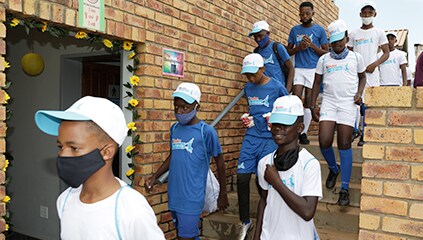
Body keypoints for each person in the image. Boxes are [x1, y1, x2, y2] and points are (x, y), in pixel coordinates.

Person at [34, 96, 165, 240]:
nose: (63, 155)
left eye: (74, 148)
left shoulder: (131, 210)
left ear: (106, 152)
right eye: (60, 146)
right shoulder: (65, 200)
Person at [145, 82, 228, 240]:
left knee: (185, 237)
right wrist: (155, 177)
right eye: (176, 107)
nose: (179, 111)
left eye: (185, 107)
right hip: (175, 194)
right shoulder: (175, 129)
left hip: (192, 196)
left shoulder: (207, 132)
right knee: (184, 235)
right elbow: (173, 156)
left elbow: (220, 162)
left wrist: (223, 193)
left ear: (197, 106)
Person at [311, 19, 366, 206]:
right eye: (333, 41)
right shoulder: (323, 59)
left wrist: (359, 94)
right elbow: (316, 83)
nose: (337, 44)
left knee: (344, 143)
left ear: (346, 38)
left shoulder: (356, 58)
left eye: (340, 40)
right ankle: (334, 168)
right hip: (329, 102)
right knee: (324, 140)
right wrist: (312, 105)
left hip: (348, 104)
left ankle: (344, 187)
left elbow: (363, 77)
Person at [253, 95, 322, 240]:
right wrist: (256, 236)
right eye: (275, 123)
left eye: (285, 123)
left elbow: (308, 211)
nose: (278, 128)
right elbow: (264, 201)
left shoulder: (309, 164)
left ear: (300, 128)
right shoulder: (265, 162)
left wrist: (276, 182)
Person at [237, 53, 289, 240]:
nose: (250, 78)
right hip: (251, 137)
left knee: (264, 180)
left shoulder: (276, 87)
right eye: (247, 75)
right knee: (242, 178)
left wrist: (274, 119)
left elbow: (288, 107)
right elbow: (253, 110)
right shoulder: (248, 88)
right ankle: (245, 222)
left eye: (253, 74)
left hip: (269, 139)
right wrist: (248, 118)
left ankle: (268, 218)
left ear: (263, 69)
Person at [347, 0, 389, 146]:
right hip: (356, 74)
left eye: (369, 13)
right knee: (355, 101)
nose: (366, 15)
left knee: (369, 104)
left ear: (374, 14)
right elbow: (349, 53)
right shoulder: (353, 33)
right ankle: (355, 129)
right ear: (360, 14)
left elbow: (386, 53)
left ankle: (366, 132)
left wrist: (375, 64)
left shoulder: (379, 32)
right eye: (364, 13)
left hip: (372, 74)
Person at [287, 1, 329, 145]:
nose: (304, 16)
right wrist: (299, 48)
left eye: (307, 13)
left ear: (313, 14)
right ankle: (294, 130)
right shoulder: (294, 30)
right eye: (302, 13)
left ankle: (303, 133)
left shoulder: (320, 30)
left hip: (313, 69)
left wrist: (311, 45)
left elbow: (326, 52)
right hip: (299, 68)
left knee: (309, 101)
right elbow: (288, 51)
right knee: (296, 99)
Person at [248, 20, 295, 92]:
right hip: (264, 89)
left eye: (260, 36)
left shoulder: (277, 47)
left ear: (268, 34)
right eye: (255, 37)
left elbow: (291, 68)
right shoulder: (256, 52)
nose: (258, 39)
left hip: (278, 89)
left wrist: (287, 89)